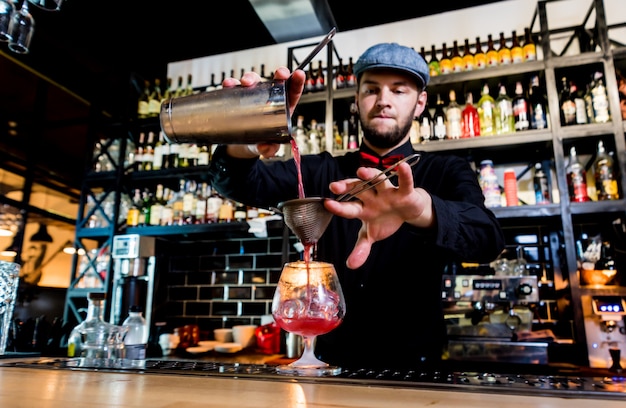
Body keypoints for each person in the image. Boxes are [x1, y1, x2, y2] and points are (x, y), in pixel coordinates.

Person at [209, 43, 505, 370]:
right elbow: (239, 184)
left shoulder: (447, 170)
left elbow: (488, 239)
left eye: (399, 90)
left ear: (420, 103)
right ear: (356, 101)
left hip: (419, 369)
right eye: (371, 90)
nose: (383, 100)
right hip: (332, 364)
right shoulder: (319, 171)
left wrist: (422, 210)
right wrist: (243, 144)